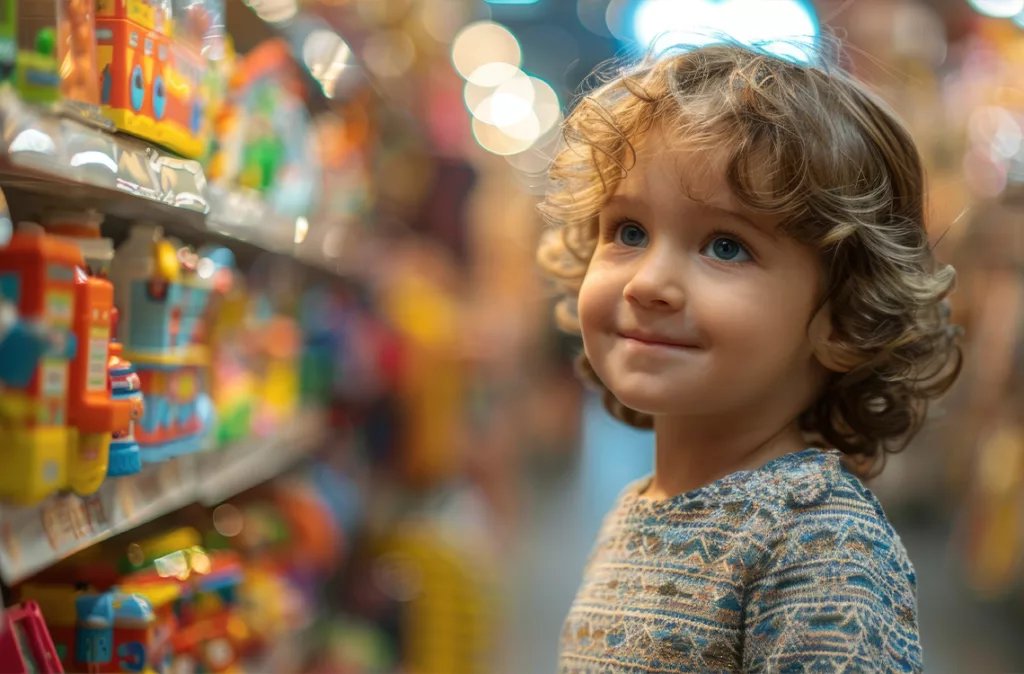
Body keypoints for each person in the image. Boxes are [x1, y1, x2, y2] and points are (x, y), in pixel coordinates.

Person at [537, 42, 962, 673]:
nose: (647, 283)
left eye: (727, 247)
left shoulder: (819, 544)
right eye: (628, 232)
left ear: (845, 318)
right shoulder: (639, 508)